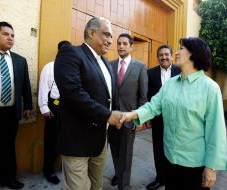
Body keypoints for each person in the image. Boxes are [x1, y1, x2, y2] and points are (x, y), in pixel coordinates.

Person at [120, 37, 227, 190]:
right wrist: (130, 115)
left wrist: (212, 168)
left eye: (181, 49)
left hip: (194, 165)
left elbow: (216, 131)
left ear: (193, 54)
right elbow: (152, 106)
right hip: (169, 160)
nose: (176, 53)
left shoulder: (210, 88)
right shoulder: (171, 84)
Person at [54, 17, 122, 190]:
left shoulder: (106, 62)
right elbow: (73, 93)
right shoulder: (71, 53)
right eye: (106, 35)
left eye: (111, 37)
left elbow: (110, 97)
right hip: (77, 140)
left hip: (100, 140)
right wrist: (108, 115)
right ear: (91, 32)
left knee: (96, 186)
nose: (110, 41)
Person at [0, 21, 33, 189]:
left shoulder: (20, 60)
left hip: (10, 113)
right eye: (5, 34)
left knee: (8, 149)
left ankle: (8, 179)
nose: (10, 38)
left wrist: (27, 106)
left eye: (12, 35)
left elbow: (25, 85)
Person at [108, 33, 148, 190]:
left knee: (126, 155)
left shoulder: (140, 67)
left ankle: (124, 186)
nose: (121, 46)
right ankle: (119, 174)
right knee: (115, 152)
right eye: (119, 43)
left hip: (129, 119)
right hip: (111, 119)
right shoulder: (109, 65)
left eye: (125, 43)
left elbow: (143, 96)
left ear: (131, 46)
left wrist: (140, 119)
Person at [146, 45, 181, 190]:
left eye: (166, 54)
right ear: (157, 57)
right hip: (158, 119)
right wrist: (147, 117)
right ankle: (160, 178)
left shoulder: (180, 71)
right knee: (158, 148)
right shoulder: (150, 73)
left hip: (178, 119)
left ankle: (174, 177)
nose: (164, 57)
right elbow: (148, 97)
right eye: (161, 55)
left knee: (175, 148)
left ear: (172, 56)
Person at [38, 40, 70, 185]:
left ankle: (62, 166)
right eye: (63, 49)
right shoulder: (49, 67)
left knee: (65, 139)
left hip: (68, 108)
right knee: (51, 140)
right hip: (53, 107)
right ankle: (48, 169)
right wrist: (44, 107)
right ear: (58, 50)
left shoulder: (72, 67)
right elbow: (43, 87)